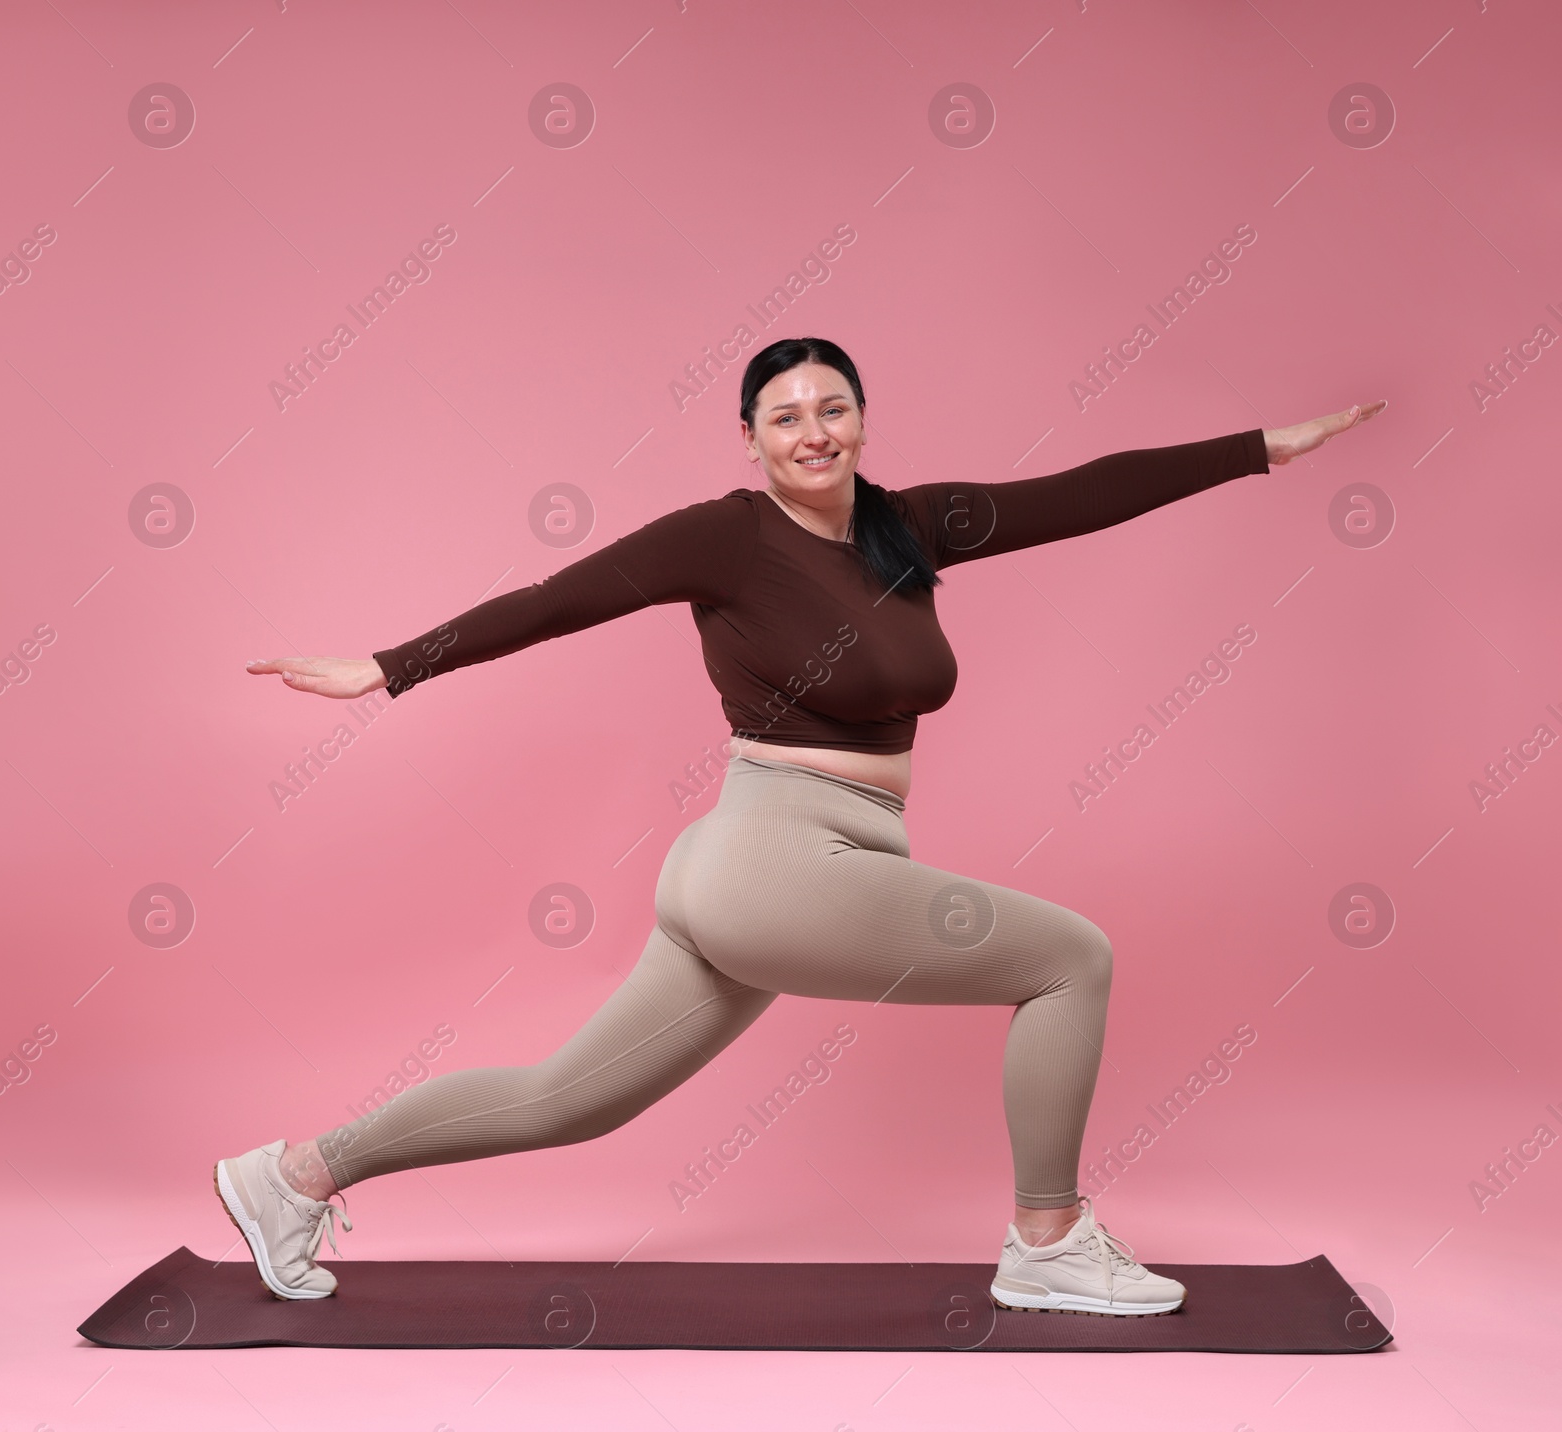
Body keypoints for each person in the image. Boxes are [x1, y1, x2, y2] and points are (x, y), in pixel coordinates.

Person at [215, 336, 1384, 1316]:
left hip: (781, 865)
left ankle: (294, 1175)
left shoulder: (906, 530)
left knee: (566, 1098)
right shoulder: (726, 536)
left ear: (863, 420)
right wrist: (387, 665)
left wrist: (1257, 452)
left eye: (833, 408)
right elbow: (558, 599)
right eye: (785, 416)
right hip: (770, 860)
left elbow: (1080, 494)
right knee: (1071, 959)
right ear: (749, 437)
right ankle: (1048, 1241)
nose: (812, 431)